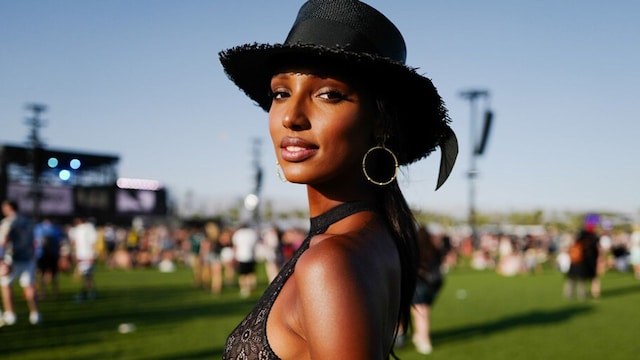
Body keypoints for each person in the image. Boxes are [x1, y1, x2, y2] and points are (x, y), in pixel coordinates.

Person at [218, 0, 457, 358]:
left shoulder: (330, 262)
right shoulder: (374, 235)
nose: (291, 117)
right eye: (281, 94)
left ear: (378, 121)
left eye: (328, 94)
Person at [0, 200, 41, 325]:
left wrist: (1, 261)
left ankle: (10, 314)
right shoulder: (28, 221)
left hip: (11, 259)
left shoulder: (7, 222)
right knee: (29, 286)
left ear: (9, 208)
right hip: (28, 258)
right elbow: (34, 242)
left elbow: (3, 241)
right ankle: (35, 313)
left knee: (6, 286)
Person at [409, 226, 445, 354]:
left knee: (420, 313)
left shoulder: (413, 249)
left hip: (418, 284)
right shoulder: (434, 249)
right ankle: (420, 336)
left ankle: (424, 339)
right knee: (423, 312)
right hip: (432, 286)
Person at [69, 217, 98, 301]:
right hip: (80, 256)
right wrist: (74, 254)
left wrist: (92, 255)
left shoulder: (89, 227)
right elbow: (74, 243)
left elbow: (93, 242)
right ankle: (90, 292)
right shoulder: (76, 229)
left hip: (88, 255)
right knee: (87, 275)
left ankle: (84, 293)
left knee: (87, 275)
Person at [34, 218, 64, 299]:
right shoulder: (55, 228)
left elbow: (35, 242)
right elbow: (60, 242)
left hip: (43, 255)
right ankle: (55, 292)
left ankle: (45, 292)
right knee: (52, 274)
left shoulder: (38, 228)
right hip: (50, 254)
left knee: (44, 274)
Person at [231, 223, 259, 298]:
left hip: (241, 256)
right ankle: (252, 287)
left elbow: (235, 246)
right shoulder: (252, 233)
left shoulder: (238, 234)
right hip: (251, 255)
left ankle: (244, 289)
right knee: (251, 273)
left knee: (242, 274)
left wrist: (234, 256)